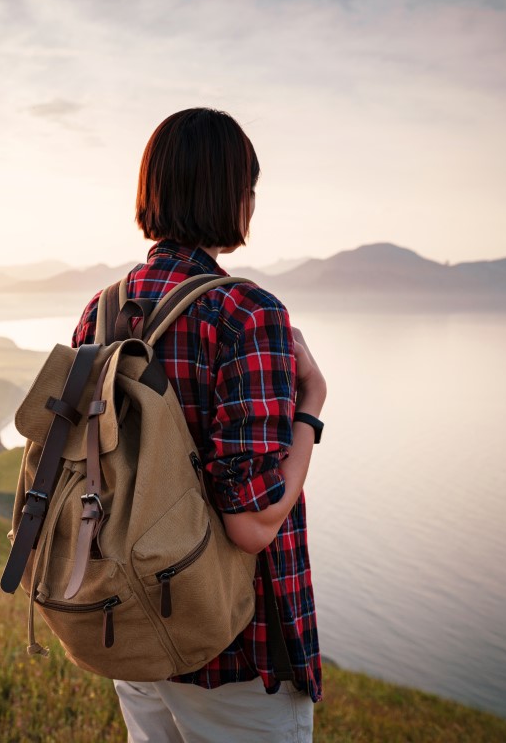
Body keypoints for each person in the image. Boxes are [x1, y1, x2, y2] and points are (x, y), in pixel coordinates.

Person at [70, 108, 326, 742]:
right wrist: (311, 407)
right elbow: (253, 523)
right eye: (250, 189)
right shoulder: (246, 314)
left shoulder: (100, 313)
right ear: (233, 196)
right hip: (232, 647)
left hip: (129, 621)